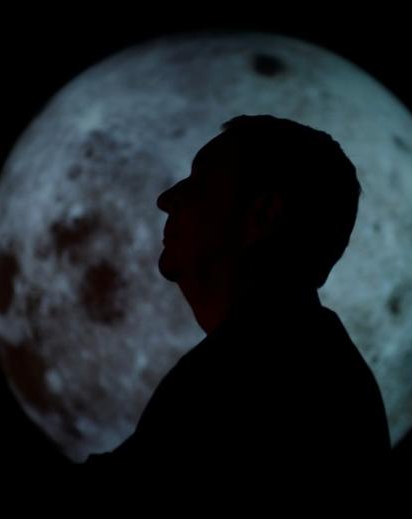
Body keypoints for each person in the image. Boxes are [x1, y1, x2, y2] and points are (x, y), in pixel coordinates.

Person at [81, 115, 390, 495]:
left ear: (261, 217)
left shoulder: (242, 373)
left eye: (199, 183)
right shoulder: (304, 359)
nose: (167, 199)